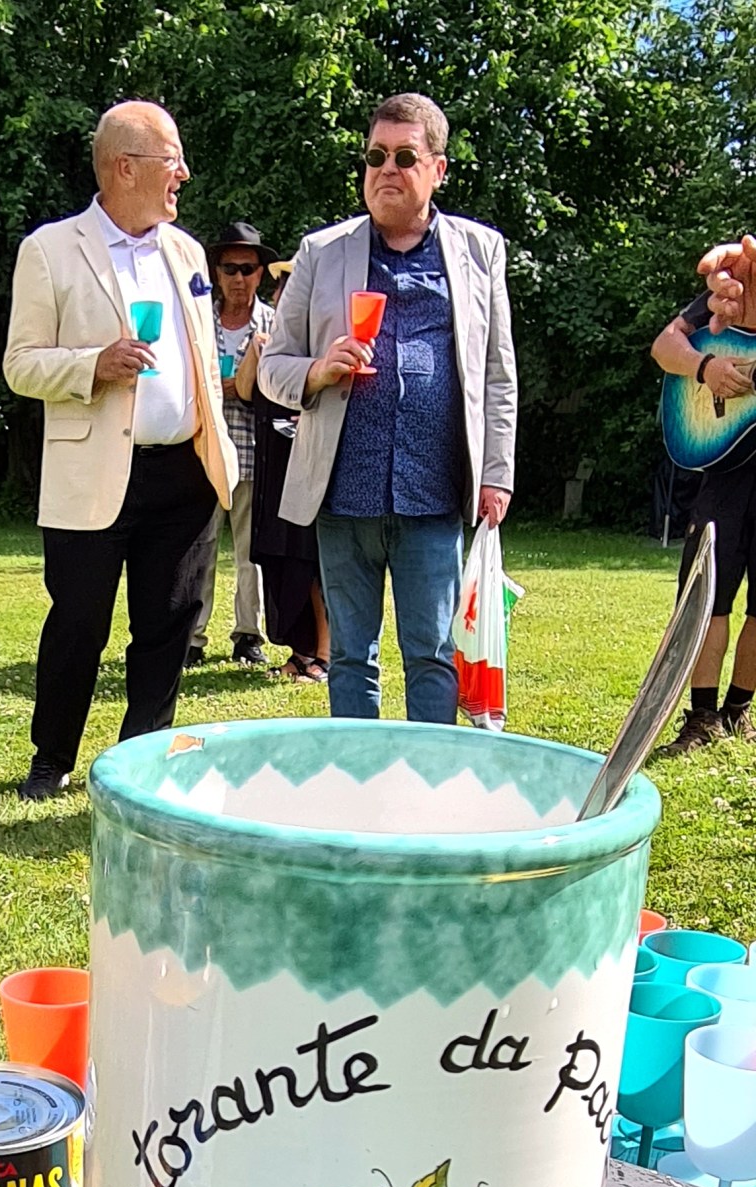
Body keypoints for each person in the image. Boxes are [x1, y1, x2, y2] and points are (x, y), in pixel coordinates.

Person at [3, 101, 238, 801]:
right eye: (173, 161)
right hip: (94, 473)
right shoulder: (50, 249)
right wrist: (92, 365)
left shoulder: (186, 251)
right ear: (125, 168)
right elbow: (20, 364)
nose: (184, 174)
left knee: (171, 624)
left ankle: (142, 763)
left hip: (185, 470)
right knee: (78, 624)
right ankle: (51, 759)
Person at [260, 91, 517, 724]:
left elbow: (498, 374)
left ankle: (430, 779)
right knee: (350, 656)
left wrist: (496, 473)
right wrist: (318, 369)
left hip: (434, 494)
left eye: (405, 157)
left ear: (438, 169)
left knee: (433, 654)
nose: (386, 170)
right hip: (342, 493)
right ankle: (357, 777)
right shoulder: (321, 252)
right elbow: (271, 367)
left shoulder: (480, 250)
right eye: (376, 156)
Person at [650, 289, 756, 749]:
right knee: (708, 593)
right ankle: (702, 718)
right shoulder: (734, 288)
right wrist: (706, 367)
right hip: (726, 471)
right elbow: (664, 345)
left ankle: (737, 712)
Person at [187, 223, 276, 669]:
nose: (239, 278)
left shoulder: (274, 324)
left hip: (254, 451)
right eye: (229, 269)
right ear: (216, 273)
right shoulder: (197, 319)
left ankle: (248, 635)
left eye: (248, 268)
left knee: (250, 554)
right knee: (196, 552)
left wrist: (240, 385)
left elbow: (281, 387)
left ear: (260, 274)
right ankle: (191, 637)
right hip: (201, 451)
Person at [243, 260, 330, 681]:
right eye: (279, 286)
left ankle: (326, 655)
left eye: (289, 286)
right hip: (274, 469)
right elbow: (246, 391)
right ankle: (301, 650)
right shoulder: (274, 345)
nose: (279, 295)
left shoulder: (324, 343)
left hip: (311, 466)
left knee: (312, 561)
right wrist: (256, 351)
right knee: (282, 562)